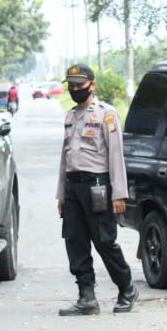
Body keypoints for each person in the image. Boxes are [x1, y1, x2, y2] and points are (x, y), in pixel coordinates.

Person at [55, 64, 139, 316]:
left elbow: (116, 156)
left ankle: (126, 288)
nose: (74, 89)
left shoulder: (106, 114)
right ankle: (86, 297)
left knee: (105, 241)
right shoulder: (69, 116)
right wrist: (61, 194)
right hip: (72, 188)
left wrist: (119, 194)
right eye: (71, 85)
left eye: (79, 85)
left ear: (92, 85)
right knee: (75, 241)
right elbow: (64, 158)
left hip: (98, 186)